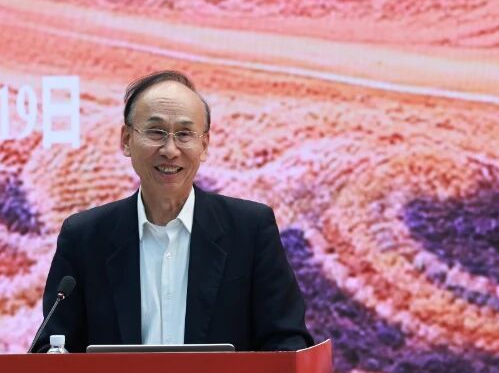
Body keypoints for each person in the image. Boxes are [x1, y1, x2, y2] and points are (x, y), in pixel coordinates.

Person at [36, 70, 313, 352]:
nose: (170, 150)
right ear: (126, 139)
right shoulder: (84, 237)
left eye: (184, 134)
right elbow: (51, 347)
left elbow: (288, 342)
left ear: (204, 145)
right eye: (156, 132)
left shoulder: (250, 230)